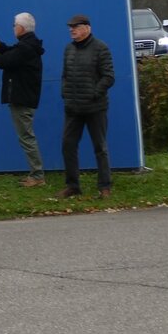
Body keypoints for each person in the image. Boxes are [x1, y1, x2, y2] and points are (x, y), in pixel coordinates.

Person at [0, 12, 46, 186]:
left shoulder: (25, 48)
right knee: (26, 136)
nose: (12, 27)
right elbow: (11, 52)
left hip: (22, 98)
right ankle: (36, 173)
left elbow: (4, 62)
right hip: (26, 97)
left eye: (14, 25)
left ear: (21, 28)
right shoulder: (28, 45)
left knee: (26, 137)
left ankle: (37, 175)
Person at [58, 14, 115, 198]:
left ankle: (105, 187)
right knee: (68, 145)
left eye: (75, 27)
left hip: (95, 108)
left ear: (87, 28)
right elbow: (65, 75)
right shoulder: (69, 49)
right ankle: (73, 186)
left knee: (100, 147)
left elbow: (109, 77)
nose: (71, 30)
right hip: (73, 108)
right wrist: (65, 94)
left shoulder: (101, 48)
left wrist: (94, 94)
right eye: (70, 27)